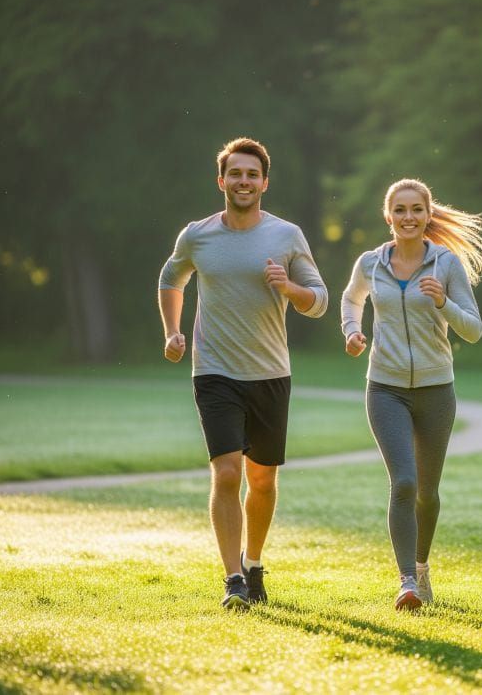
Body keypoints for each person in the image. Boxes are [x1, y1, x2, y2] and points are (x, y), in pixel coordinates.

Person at [158, 137, 328, 610]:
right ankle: (233, 578)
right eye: (235, 173)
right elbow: (171, 278)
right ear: (222, 180)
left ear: (264, 183)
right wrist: (172, 331)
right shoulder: (197, 235)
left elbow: (319, 302)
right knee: (228, 472)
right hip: (214, 372)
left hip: (270, 372)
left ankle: (253, 564)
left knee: (263, 480)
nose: (244, 181)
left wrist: (288, 287)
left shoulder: (287, 235)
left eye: (252, 174)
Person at [341, 178, 482, 611]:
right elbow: (351, 299)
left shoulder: (445, 264)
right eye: (400, 210)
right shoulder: (371, 263)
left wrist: (443, 302)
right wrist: (352, 330)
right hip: (385, 388)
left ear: (427, 215)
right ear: (388, 216)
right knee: (403, 482)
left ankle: (422, 568)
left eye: (416, 209)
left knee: (427, 491)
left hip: (436, 390)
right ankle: (406, 581)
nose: (408, 217)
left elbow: (474, 330)